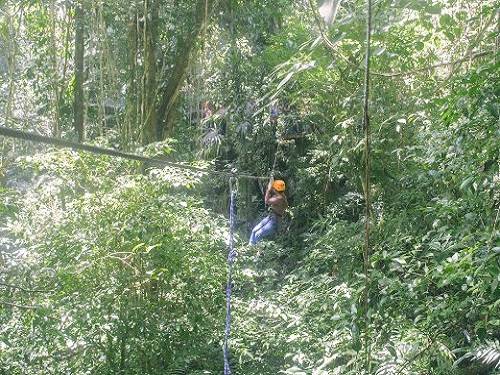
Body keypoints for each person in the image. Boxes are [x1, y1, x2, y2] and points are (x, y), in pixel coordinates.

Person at [249, 178, 288, 245]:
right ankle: (250, 248)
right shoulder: (280, 195)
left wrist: (269, 189)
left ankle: (257, 252)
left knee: (258, 234)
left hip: (275, 221)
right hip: (270, 217)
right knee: (254, 231)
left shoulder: (280, 198)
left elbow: (267, 201)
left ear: (275, 189)